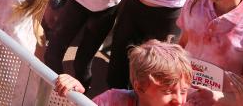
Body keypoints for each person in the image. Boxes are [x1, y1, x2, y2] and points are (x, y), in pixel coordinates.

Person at [55, 40, 193, 106]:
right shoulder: (113, 101)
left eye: (183, 91)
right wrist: (76, 96)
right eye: (167, 92)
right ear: (139, 87)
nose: (179, 101)